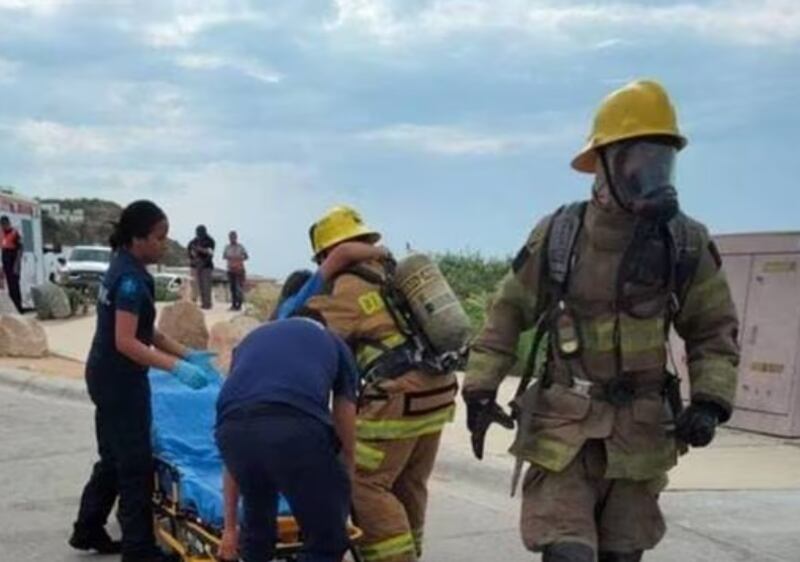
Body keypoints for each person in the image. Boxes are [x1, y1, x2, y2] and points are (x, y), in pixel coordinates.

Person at [462, 79, 741, 562]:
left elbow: (714, 329)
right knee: (568, 553)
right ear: (604, 163)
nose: (651, 172)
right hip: (564, 429)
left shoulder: (685, 242)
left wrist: (711, 401)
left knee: (621, 555)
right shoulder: (559, 234)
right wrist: (480, 387)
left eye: (661, 158)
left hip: (640, 433)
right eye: (638, 159)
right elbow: (507, 312)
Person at [304, 206, 458, 562]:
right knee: (408, 482)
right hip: (438, 393)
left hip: (397, 399)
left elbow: (301, 332)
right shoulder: (395, 275)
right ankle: (411, 551)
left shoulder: (343, 288)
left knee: (364, 483)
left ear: (328, 253)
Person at [70, 200, 218, 562]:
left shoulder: (123, 264)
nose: (164, 244)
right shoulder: (132, 280)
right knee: (135, 463)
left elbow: (143, 329)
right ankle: (139, 550)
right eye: (159, 237)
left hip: (104, 373)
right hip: (119, 381)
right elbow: (127, 341)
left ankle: (87, 529)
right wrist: (175, 368)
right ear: (138, 238)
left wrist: (186, 353)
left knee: (113, 457)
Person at [215, 315, 359, 562]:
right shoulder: (334, 342)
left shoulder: (251, 342)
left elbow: (233, 463)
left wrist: (230, 530)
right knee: (327, 541)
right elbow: (344, 421)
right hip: (293, 427)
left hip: (231, 430)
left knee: (256, 532)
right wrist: (346, 474)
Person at [188, 225, 215, 310]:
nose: (198, 234)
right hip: (195, 266)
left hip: (206, 266)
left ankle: (206, 304)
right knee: (194, 286)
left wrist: (200, 250)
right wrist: (193, 258)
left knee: (206, 286)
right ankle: (193, 303)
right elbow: (189, 251)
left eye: (200, 232)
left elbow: (210, 253)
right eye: (197, 232)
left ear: (204, 232)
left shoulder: (210, 241)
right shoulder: (193, 241)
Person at [1, 215, 24, 313]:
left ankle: (18, 306)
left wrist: (16, 264)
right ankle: (12, 307)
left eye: (4, 224)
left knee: (15, 286)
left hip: (14, 261)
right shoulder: (2, 234)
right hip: (6, 260)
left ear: (8, 223)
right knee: (9, 286)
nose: (3, 226)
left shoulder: (15, 233)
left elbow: (20, 249)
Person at [223, 230, 249, 311]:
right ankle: (233, 305)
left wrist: (239, 258)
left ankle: (239, 305)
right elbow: (224, 256)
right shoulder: (227, 247)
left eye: (233, 237)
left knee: (239, 288)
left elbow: (246, 256)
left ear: (236, 237)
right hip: (230, 270)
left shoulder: (241, 247)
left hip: (240, 270)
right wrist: (231, 258)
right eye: (231, 237)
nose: (232, 239)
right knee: (232, 288)